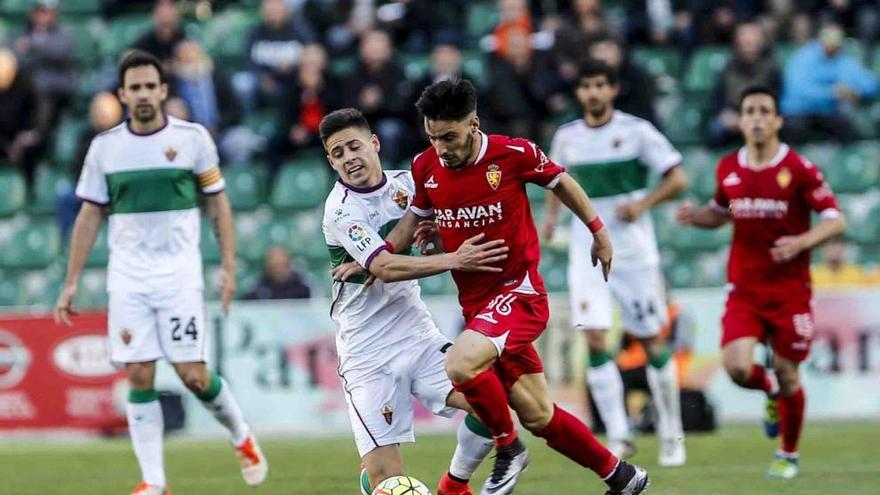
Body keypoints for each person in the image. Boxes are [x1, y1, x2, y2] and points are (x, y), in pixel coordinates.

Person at [382, 78, 647, 495]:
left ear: (474, 124)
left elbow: (563, 182)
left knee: (460, 365)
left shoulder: (512, 153)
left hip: (518, 294)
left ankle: (508, 450)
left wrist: (599, 231)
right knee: (539, 413)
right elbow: (413, 222)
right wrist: (375, 259)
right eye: (433, 137)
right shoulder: (425, 167)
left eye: (449, 137)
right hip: (477, 308)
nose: (441, 148)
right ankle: (621, 476)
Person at [53, 50, 268, 495]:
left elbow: (218, 204)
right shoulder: (105, 148)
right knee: (138, 374)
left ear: (163, 90)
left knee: (192, 375)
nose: (144, 93)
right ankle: (154, 482)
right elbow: (90, 215)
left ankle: (240, 434)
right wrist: (71, 281)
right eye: (135, 87)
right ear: (123, 94)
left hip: (178, 278)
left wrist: (228, 265)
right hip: (128, 279)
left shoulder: (192, 139)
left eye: (151, 85)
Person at [320, 108, 502, 495]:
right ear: (331, 162)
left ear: (374, 143)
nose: (349, 157)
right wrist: (455, 259)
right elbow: (385, 267)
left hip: (416, 334)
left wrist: (438, 235)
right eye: (338, 153)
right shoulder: (341, 210)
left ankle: (454, 486)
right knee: (390, 481)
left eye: (354, 146)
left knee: (493, 405)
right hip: (367, 353)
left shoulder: (408, 186)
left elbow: (451, 217)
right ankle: (375, 477)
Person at [676, 85, 846, 479]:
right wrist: (695, 216)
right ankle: (767, 387)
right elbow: (722, 212)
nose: (755, 117)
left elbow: (836, 219)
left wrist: (802, 242)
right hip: (744, 288)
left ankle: (788, 454)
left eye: (764, 111)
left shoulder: (800, 170)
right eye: (749, 110)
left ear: (777, 120)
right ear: (741, 119)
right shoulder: (727, 169)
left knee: (790, 373)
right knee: (736, 368)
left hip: (790, 292)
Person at [541, 59, 688, 466]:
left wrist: (642, 204)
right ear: (579, 92)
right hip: (585, 249)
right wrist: (551, 221)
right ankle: (620, 436)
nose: (593, 92)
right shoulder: (567, 137)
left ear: (612, 90)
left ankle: (672, 434)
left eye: (600, 85)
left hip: (633, 252)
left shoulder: (636, 131)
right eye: (586, 85)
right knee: (594, 338)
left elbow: (678, 179)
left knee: (651, 338)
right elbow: (555, 181)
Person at [780, 21, 878, 143]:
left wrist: (857, 92)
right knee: (796, 129)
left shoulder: (843, 60)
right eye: (828, 37)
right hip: (797, 111)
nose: (831, 44)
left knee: (845, 128)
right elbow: (799, 90)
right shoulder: (804, 56)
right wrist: (833, 93)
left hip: (826, 112)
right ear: (820, 38)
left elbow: (871, 84)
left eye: (836, 39)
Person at [709, 22, 781, 148]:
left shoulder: (771, 68)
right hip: (734, 114)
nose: (749, 48)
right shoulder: (728, 67)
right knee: (716, 129)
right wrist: (724, 114)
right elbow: (718, 98)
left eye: (753, 43)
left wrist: (755, 117)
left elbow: (777, 100)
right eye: (745, 43)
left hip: (762, 114)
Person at [244, 246, 312, 300]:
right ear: (267, 267)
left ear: (290, 265)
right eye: (274, 267)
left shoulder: (303, 288)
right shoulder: (256, 288)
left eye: (283, 266)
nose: (279, 271)